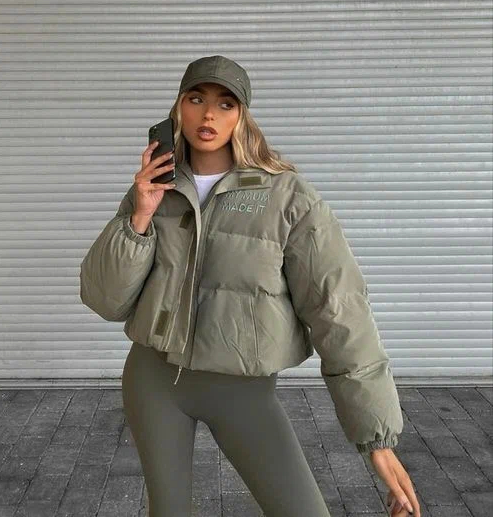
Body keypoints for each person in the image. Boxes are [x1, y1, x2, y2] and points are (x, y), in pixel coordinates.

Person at [80, 55, 420, 517]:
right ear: (178, 108)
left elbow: (338, 309)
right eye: (196, 99)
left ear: (242, 115)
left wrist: (377, 439)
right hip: (153, 380)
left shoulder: (288, 196)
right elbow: (105, 299)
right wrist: (140, 215)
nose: (208, 114)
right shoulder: (153, 189)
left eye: (226, 103)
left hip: (242, 392)